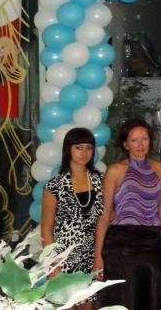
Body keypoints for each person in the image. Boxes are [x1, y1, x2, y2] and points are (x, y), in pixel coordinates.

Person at [94, 119, 161, 310]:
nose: (140, 144)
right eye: (134, 140)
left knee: (152, 299)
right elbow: (104, 215)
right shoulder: (114, 171)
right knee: (123, 300)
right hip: (120, 245)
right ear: (125, 144)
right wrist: (97, 256)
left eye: (144, 139)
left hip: (151, 243)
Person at [41, 127, 104, 310]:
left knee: (88, 307)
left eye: (89, 147)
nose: (84, 152)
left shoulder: (101, 180)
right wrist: (53, 264)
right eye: (79, 147)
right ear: (68, 149)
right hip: (63, 257)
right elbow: (46, 229)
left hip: (92, 256)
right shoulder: (55, 185)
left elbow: (107, 216)